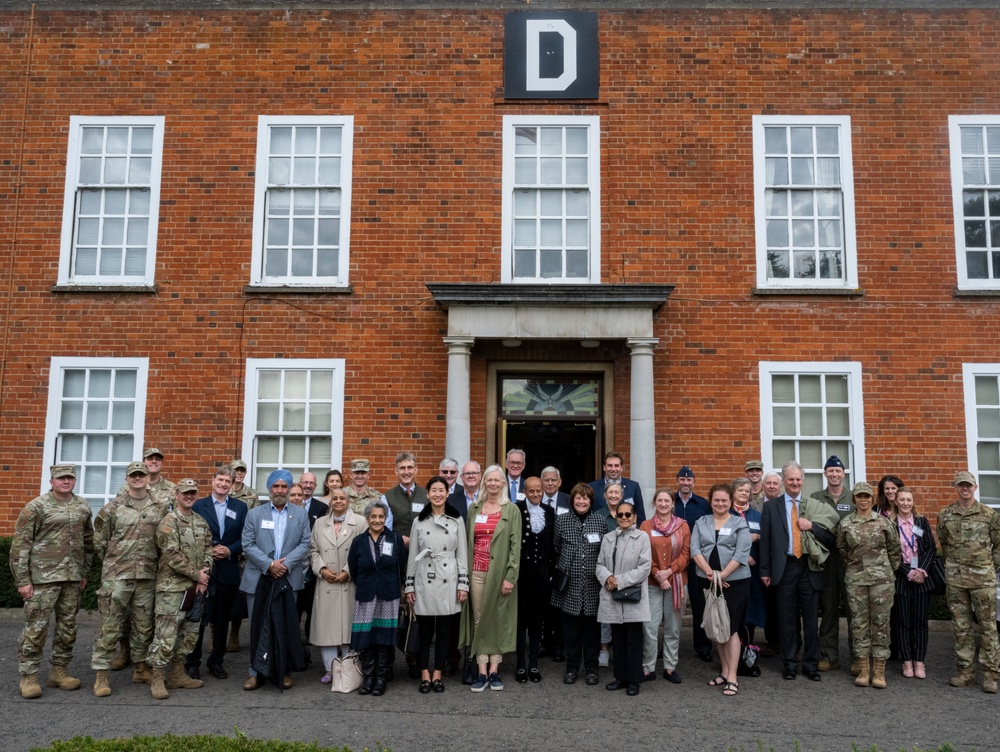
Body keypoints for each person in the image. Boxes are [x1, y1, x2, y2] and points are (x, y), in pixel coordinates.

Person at [10, 464, 94, 699]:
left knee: (68, 628)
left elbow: (88, 543)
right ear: (52, 481)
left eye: (70, 478)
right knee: (36, 629)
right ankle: (29, 675)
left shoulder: (82, 506)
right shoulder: (36, 507)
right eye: (61, 478)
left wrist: (84, 572)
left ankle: (59, 671)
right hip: (42, 579)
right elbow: (20, 546)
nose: (66, 482)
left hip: (71, 577)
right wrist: (23, 580)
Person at [91, 460, 169, 696]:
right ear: (126, 479)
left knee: (144, 627)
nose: (137, 479)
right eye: (133, 475)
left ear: (148, 478)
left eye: (141, 475)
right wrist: (115, 562)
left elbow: (165, 540)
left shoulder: (160, 507)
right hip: (117, 576)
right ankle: (101, 675)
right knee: (109, 626)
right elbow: (99, 541)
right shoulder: (112, 508)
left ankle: (141, 668)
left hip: (147, 575)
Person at [759, 461, 839, 681]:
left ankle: (810, 665)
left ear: (802, 481)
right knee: (786, 619)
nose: (795, 483)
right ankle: (789, 663)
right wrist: (765, 571)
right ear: (784, 481)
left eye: (798, 479)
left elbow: (831, 538)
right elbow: (765, 542)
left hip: (808, 567)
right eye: (791, 479)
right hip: (784, 568)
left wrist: (811, 526)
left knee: (811, 619)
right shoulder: (771, 507)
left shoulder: (813, 507)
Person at [240, 469, 312, 691]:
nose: (280, 490)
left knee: (286, 625)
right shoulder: (255, 514)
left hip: (289, 577)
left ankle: (284, 671)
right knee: (257, 625)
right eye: (275, 486)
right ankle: (255, 672)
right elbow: (248, 544)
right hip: (259, 577)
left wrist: (285, 564)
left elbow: (305, 543)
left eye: (284, 486)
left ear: (289, 489)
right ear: (269, 489)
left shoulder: (300, 514)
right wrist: (270, 564)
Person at [146, 479, 213, 700]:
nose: (189, 496)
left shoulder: (201, 522)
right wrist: (198, 575)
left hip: (195, 589)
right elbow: (171, 554)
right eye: (185, 493)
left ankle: (177, 674)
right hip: (172, 589)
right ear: (177, 494)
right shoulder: (169, 522)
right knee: (166, 636)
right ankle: (157, 677)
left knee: (189, 635)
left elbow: (208, 551)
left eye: (193, 492)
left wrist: (204, 575)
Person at [460, 464, 522, 692]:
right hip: (477, 571)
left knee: (497, 618)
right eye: (490, 480)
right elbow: (469, 542)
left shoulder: (511, 510)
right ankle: (481, 670)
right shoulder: (475, 509)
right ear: (484, 482)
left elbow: (515, 547)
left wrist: (510, 577)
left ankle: (494, 671)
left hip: (500, 574)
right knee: (479, 619)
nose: (493, 483)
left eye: (498, 480)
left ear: (503, 484)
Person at [938, 471, 1000, 693]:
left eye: (968, 485)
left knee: (988, 627)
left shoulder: (989, 515)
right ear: (956, 487)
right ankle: (966, 672)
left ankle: (991, 675)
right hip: (956, 580)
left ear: (975, 487)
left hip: (983, 579)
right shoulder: (946, 515)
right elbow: (944, 544)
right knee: (961, 628)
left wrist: (990, 567)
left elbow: (998, 544)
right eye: (961, 485)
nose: (965, 489)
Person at [405, 476, 469, 693]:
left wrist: (463, 584)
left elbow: (462, 554)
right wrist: (410, 586)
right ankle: (424, 673)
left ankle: (438, 673)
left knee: (444, 632)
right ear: (428, 494)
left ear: (447, 493)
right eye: (434, 490)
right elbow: (413, 555)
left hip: (448, 578)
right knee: (424, 631)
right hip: (424, 576)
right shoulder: (419, 521)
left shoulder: (457, 519)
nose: (438, 494)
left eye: (442, 490)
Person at [836, 482, 901, 689]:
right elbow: (842, 549)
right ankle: (864, 669)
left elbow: (894, 550)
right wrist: (857, 570)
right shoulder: (846, 524)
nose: (863, 500)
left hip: (882, 582)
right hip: (856, 581)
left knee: (881, 624)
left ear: (872, 499)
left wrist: (883, 571)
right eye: (859, 496)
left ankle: (879, 671)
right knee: (859, 624)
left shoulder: (883, 523)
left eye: (866, 497)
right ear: (854, 499)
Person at [186, 465, 247, 682]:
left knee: (222, 620)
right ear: (213, 481)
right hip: (203, 571)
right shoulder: (199, 505)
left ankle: (216, 662)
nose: (223, 484)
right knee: (198, 618)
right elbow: (189, 535)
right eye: (220, 480)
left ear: (232, 485)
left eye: (227, 482)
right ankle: (192, 662)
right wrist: (208, 551)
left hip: (228, 570)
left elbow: (245, 537)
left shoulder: (241, 507)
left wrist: (230, 549)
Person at [690, 484, 752, 697]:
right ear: (711, 501)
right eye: (716, 500)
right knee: (717, 626)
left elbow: (742, 552)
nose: (720, 504)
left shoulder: (739, 523)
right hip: (707, 580)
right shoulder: (701, 522)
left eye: (724, 500)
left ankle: (733, 676)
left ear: (731, 501)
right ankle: (724, 671)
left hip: (735, 582)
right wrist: (711, 574)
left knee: (731, 628)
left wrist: (722, 575)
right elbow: (695, 549)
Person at [349, 500, 407, 696]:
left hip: (388, 596)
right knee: (366, 639)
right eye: (373, 516)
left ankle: (381, 678)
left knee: (384, 639)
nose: (377, 520)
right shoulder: (358, 541)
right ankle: (368, 678)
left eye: (380, 516)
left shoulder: (395, 539)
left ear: (385, 518)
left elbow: (401, 566)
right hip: (366, 596)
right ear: (367, 518)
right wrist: (368, 584)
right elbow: (354, 569)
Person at [551, 483, 606, 687]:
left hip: (593, 585)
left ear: (591, 501)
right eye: (578, 498)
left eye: (585, 498)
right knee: (571, 630)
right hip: (570, 585)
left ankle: (591, 668)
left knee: (592, 630)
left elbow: (604, 551)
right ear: (572, 500)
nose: (581, 501)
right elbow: (556, 546)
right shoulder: (562, 521)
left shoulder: (600, 522)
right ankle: (572, 667)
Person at [309, 487, 365, 683]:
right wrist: (322, 569)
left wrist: (347, 572)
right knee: (327, 628)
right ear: (330, 501)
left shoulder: (360, 522)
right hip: (326, 582)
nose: (339, 501)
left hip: (349, 582)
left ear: (348, 501)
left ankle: (349, 667)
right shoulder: (319, 523)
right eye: (335, 498)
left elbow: (362, 551)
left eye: (342, 498)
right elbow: (313, 550)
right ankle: (330, 669)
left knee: (349, 627)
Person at [596, 500, 651, 696]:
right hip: (612, 596)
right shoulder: (608, 538)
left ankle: (634, 680)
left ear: (635, 517)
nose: (624, 518)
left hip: (632, 595)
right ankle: (620, 677)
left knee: (634, 640)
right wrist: (607, 578)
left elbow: (644, 568)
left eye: (628, 514)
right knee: (617, 640)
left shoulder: (642, 537)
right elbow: (600, 564)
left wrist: (618, 580)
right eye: (621, 515)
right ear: (616, 517)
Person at [811, 455, 855, 673]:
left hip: (850, 561)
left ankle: (858, 657)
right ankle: (829, 655)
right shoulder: (816, 497)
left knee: (853, 608)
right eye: (831, 471)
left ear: (843, 474)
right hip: (826, 559)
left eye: (838, 471)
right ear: (825, 474)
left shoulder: (855, 497)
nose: (834, 474)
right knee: (828, 608)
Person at [640, 487, 689, 684]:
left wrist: (669, 572)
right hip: (652, 582)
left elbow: (686, 554)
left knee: (673, 627)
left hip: (676, 582)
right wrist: (657, 574)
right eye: (659, 500)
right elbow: (643, 554)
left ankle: (670, 667)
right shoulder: (645, 525)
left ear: (672, 504)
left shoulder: (682, 526)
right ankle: (648, 667)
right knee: (650, 627)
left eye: (666, 501)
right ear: (654, 503)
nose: (663, 504)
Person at [891, 487, 935, 680]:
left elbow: (931, 549)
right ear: (896, 501)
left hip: (922, 577)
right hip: (902, 577)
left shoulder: (921, 522)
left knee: (920, 622)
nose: (906, 503)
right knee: (903, 622)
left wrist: (920, 571)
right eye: (902, 499)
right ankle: (907, 660)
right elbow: (889, 553)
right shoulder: (890, 524)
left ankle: (919, 661)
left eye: (909, 499)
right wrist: (908, 572)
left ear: (913, 502)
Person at [514, 476, 555, 683]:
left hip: (541, 574)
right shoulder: (517, 509)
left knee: (537, 619)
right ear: (525, 491)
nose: (536, 494)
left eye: (538, 490)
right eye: (531, 491)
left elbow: (551, 544)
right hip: (522, 574)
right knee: (521, 619)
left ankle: (534, 664)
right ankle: (520, 664)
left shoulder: (549, 511)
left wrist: (551, 572)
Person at [673, 465, 712, 663]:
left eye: (689, 480)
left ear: (693, 482)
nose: (685, 483)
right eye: (682, 479)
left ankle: (703, 646)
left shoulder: (703, 504)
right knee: (670, 607)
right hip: (673, 561)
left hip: (697, 561)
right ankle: (669, 647)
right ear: (677, 481)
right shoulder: (669, 502)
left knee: (700, 605)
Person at [731, 477, 766, 647]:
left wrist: (759, 536)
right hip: (732, 572)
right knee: (734, 612)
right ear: (733, 492)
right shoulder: (726, 514)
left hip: (754, 573)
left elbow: (765, 540)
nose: (744, 493)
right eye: (740, 490)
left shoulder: (756, 515)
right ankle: (732, 650)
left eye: (747, 490)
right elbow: (722, 541)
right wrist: (742, 553)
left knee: (751, 610)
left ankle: (747, 648)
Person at [596, 481, 626, 667]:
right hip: (604, 570)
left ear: (621, 496)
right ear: (605, 496)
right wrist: (606, 576)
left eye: (617, 492)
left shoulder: (627, 513)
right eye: (610, 492)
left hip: (624, 572)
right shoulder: (598, 515)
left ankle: (621, 650)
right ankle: (604, 650)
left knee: (623, 612)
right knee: (606, 614)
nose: (614, 495)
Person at [297, 472, 329, 644]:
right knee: (295, 603)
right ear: (300, 483)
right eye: (305, 482)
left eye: (311, 483)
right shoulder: (292, 503)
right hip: (294, 562)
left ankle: (310, 637)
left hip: (312, 560)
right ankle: (293, 637)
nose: (308, 485)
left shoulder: (321, 507)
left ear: (315, 486)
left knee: (311, 603)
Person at [382, 451, 426, 544]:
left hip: (423, 549)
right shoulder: (387, 497)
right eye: (402, 468)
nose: (406, 472)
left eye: (410, 467)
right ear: (396, 471)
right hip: (398, 550)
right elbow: (385, 528)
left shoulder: (427, 495)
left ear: (416, 470)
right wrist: (398, 538)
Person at [589, 451, 646, 522]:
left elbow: (640, 516)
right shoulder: (592, 487)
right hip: (601, 530)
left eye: (616, 466)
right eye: (610, 465)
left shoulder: (633, 487)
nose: (613, 469)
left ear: (621, 467)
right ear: (604, 467)